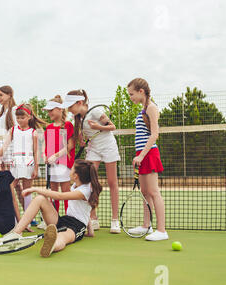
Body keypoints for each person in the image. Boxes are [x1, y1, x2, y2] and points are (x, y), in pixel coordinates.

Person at [0, 159, 101, 257]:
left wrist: (35, 189)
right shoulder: (76, 185)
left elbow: (60, 196)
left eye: (72, 168)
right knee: (40, 199)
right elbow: (86, 208)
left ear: (76, 176)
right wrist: (91, 231)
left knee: (62, 237)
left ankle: (52, 245)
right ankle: (16, 233)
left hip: (76, 226)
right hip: (63, 220)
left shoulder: (84, 191)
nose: (69, 170)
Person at [64, 89, 121, 234]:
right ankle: (93, 218)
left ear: (80, 102)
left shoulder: (96, 112)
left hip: (108, 147)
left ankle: (115, 220)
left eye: (71, 106)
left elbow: (112, 127)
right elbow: (84, 137)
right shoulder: (78, 118)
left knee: (112, 182)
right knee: (88, 183)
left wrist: (98, 127)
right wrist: (81, 139)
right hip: (93, 149)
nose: (69, 110)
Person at [127, 78, 168, 241]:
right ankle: (146, 226)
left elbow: (154, 134)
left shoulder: (151, 108)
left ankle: (162, 230)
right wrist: (138, 155)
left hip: (149, 154)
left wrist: (142, 155)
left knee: (154, 192)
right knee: (145, 193)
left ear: (141, 91)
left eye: (132, 94)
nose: (131, 97)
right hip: (142, 154)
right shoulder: (142, 110)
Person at [0, 104, 46, 216]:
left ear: (29, 117)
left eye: (22, 117)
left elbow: (36, 152)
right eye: (18, 117)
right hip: (16, 163)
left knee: (27, 191)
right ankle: (13, 216)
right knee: (9, 187)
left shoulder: (33, 132)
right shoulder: (13, 130)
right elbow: (4, 146)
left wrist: (36, 168)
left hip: (28, 163)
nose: (19, 120)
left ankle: (28, 218)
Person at [41, 95, 76, 229]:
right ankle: (54, 220)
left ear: (60, 110)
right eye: (48, 110)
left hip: (63, 164)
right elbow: (45, 145)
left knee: (65, 193)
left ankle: (69, 219)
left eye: (52, 110)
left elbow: (70, 145)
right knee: (53, 194)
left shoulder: (67, 125)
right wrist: (45, 155)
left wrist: (56, 155)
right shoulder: (49, 127)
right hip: (51, 165)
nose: (49, 113)